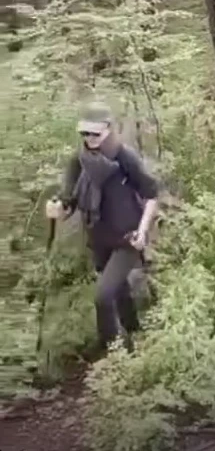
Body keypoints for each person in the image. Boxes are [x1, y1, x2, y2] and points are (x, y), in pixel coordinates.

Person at [45, 103, 160, 355]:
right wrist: (57, 209)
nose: (89, 139)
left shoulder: (124, 156)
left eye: (95, 133)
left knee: (103, 296)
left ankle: (111, 351)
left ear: (108, 129)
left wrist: (142, 232)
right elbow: (69, 201)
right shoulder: (78, 160)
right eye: (84, 133)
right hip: (99, 238)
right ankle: (134, 337)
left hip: (128, 237)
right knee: (119, 291)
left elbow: (151, 194)